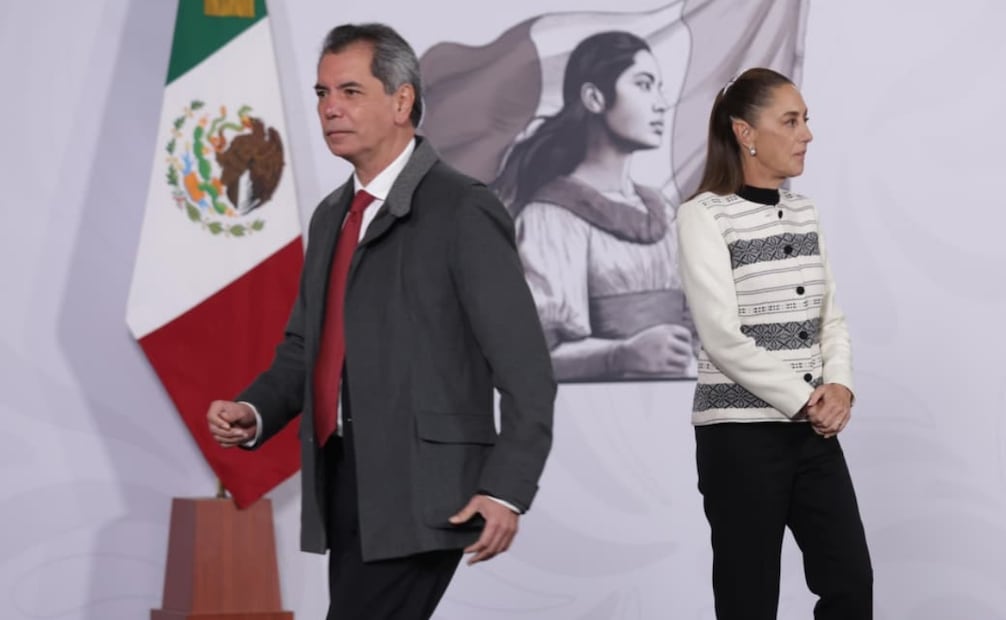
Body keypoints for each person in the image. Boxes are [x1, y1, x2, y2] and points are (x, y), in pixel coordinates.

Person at [206, 23, 555, 620]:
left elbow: (525, 370)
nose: (330, 109)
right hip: (344, 478)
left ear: (402, 101)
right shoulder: (331, 216)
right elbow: (304, 347)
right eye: (321, 94)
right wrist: (256, 409)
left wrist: (505, 489)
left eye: (349, 91)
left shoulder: (463, 207)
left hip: (426, 490)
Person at [675, 67, 872, 619]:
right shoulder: (704, 217)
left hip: (811, 434)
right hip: (739, 440)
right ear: (745, 133)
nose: (806, 133)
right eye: (791, 120)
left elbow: (830, 316)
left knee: (850, 584)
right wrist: (807, 396)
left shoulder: (805, 212)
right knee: (748, 599)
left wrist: (840, 387)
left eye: (806, 119)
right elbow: (720, 335)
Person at [492, 31, 696, 382]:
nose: (661, 102)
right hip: (596, 418)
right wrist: (622, 355)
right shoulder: (551, 218)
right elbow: (531, 354)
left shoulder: (662, 209)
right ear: (594, 97)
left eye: (659, 87)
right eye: (644, 85)